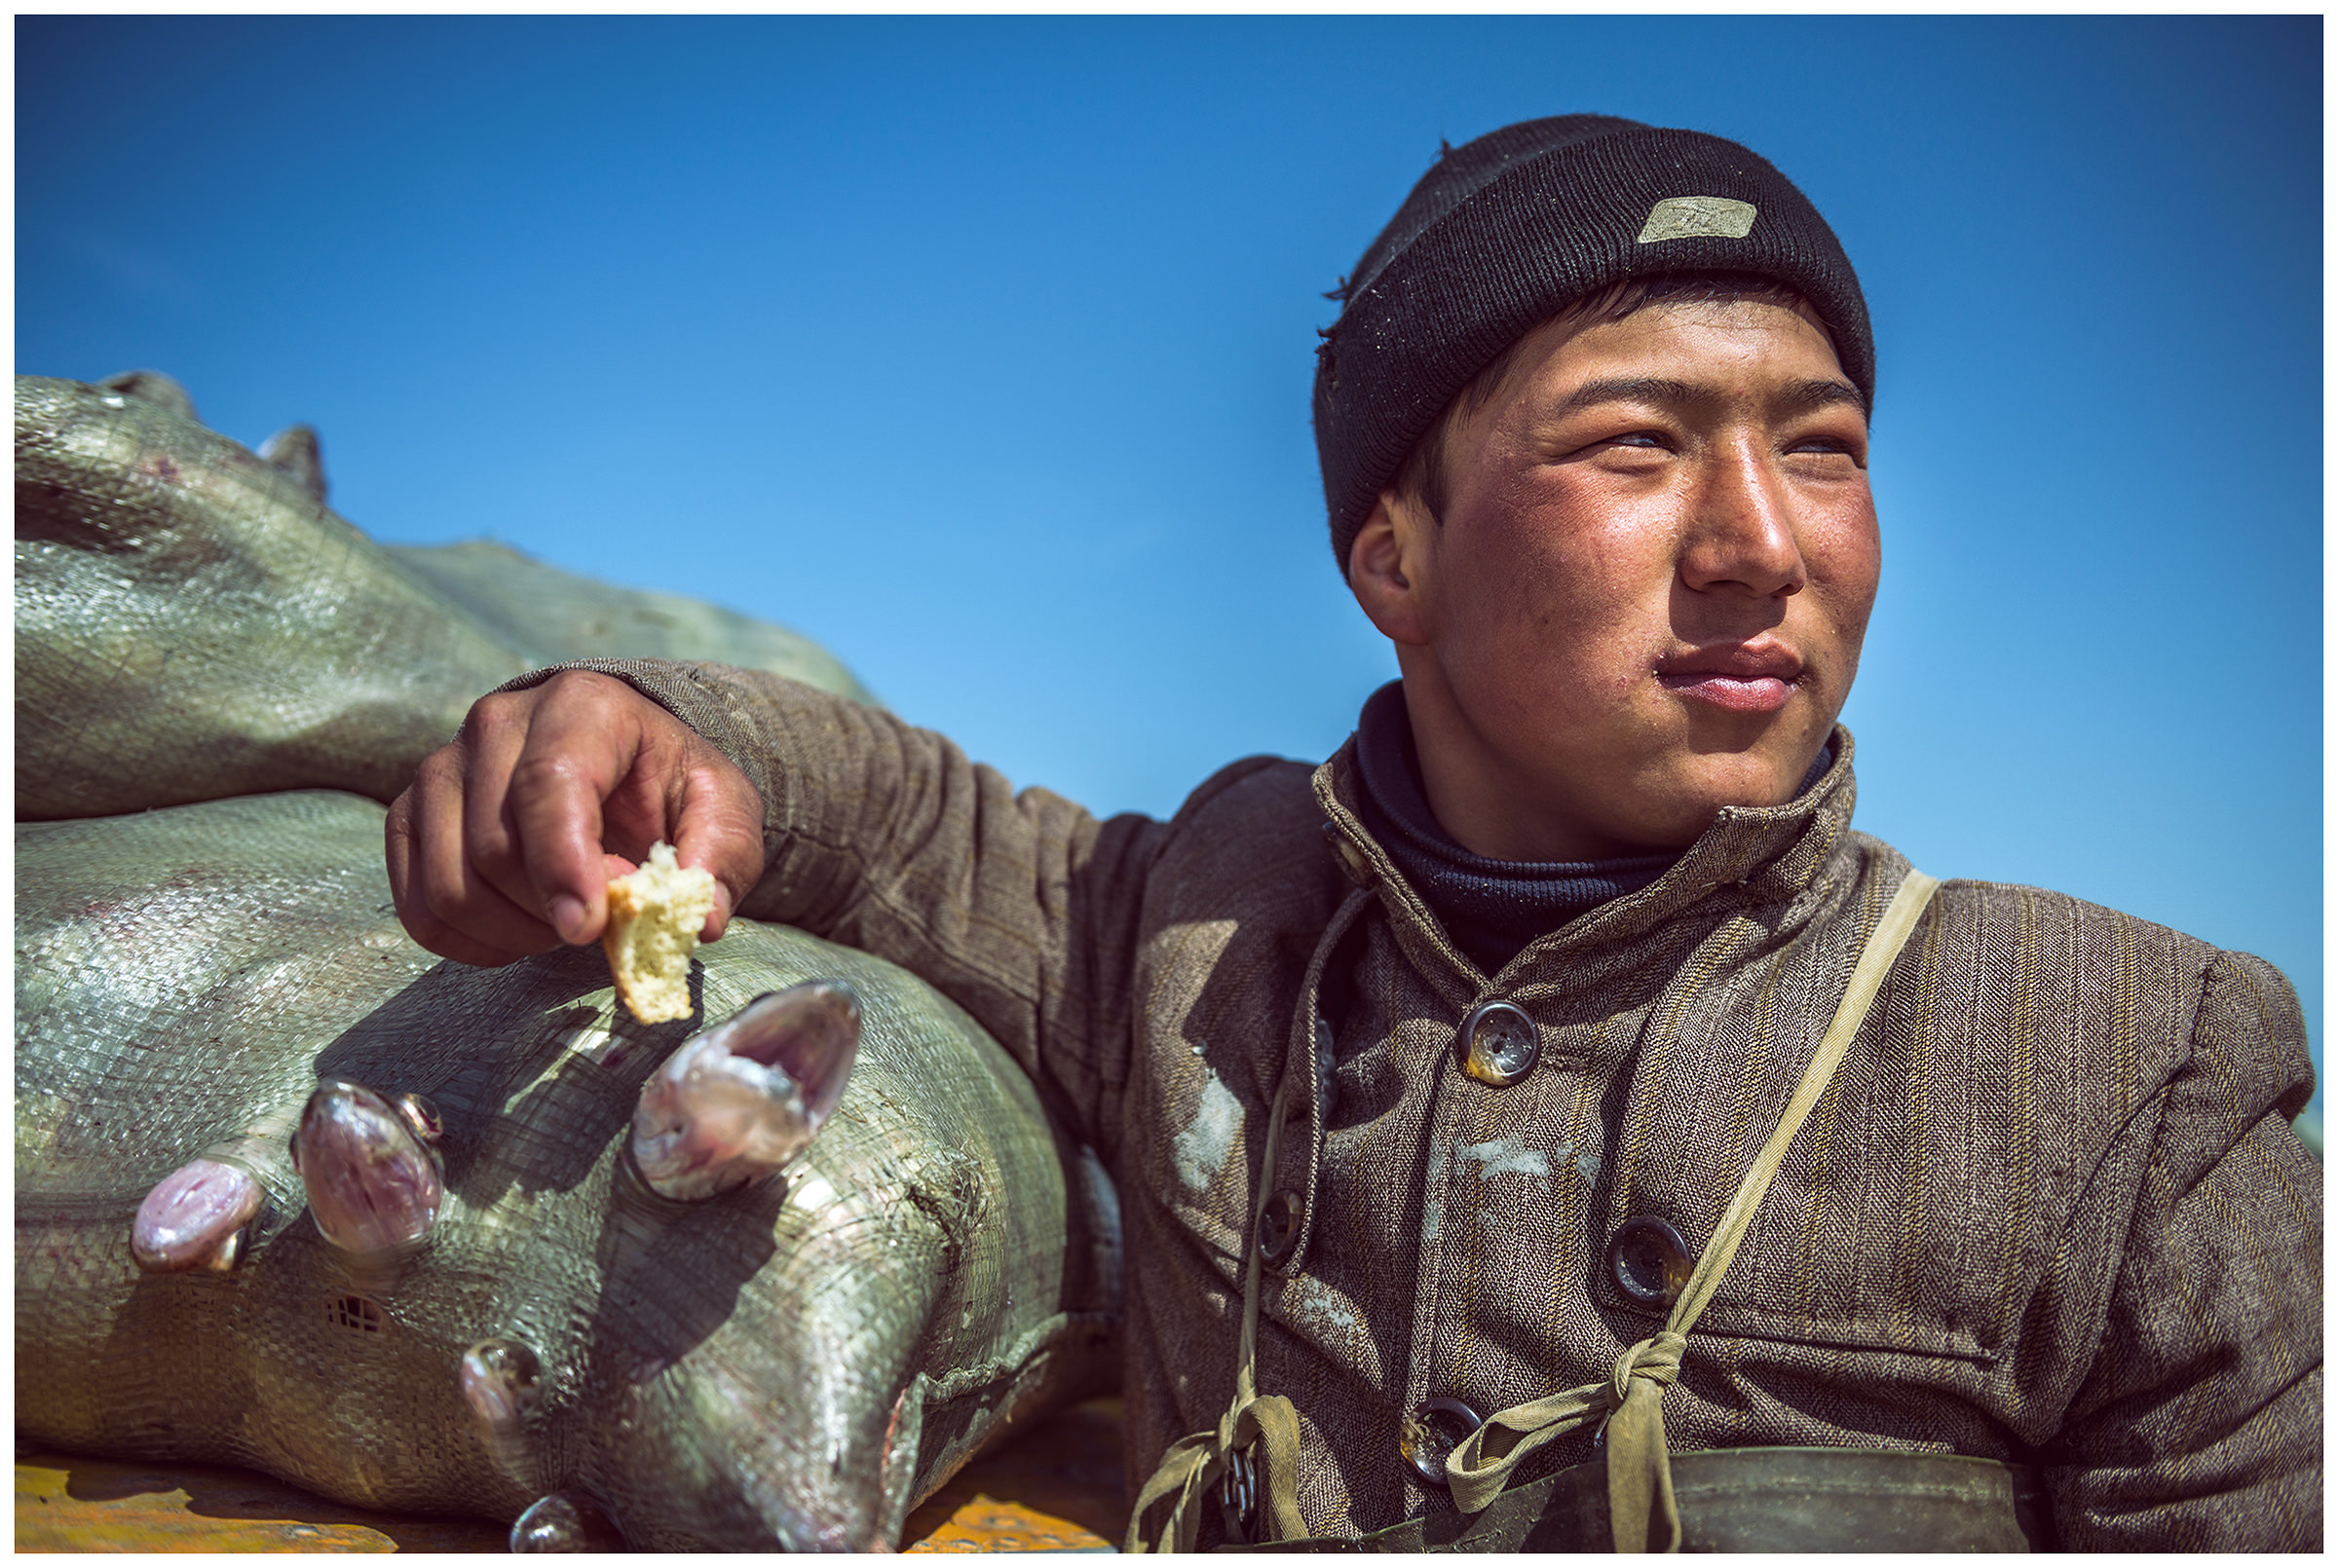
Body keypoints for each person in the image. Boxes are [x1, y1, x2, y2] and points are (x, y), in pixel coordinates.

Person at [386, 115, 2320, 1550]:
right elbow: (898, 811)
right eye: (1635, 447)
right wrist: (652, 726)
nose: (1766, 542)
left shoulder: (2122, 1071)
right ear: (1390, 558)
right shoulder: (1203, 930)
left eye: (1822, 446)